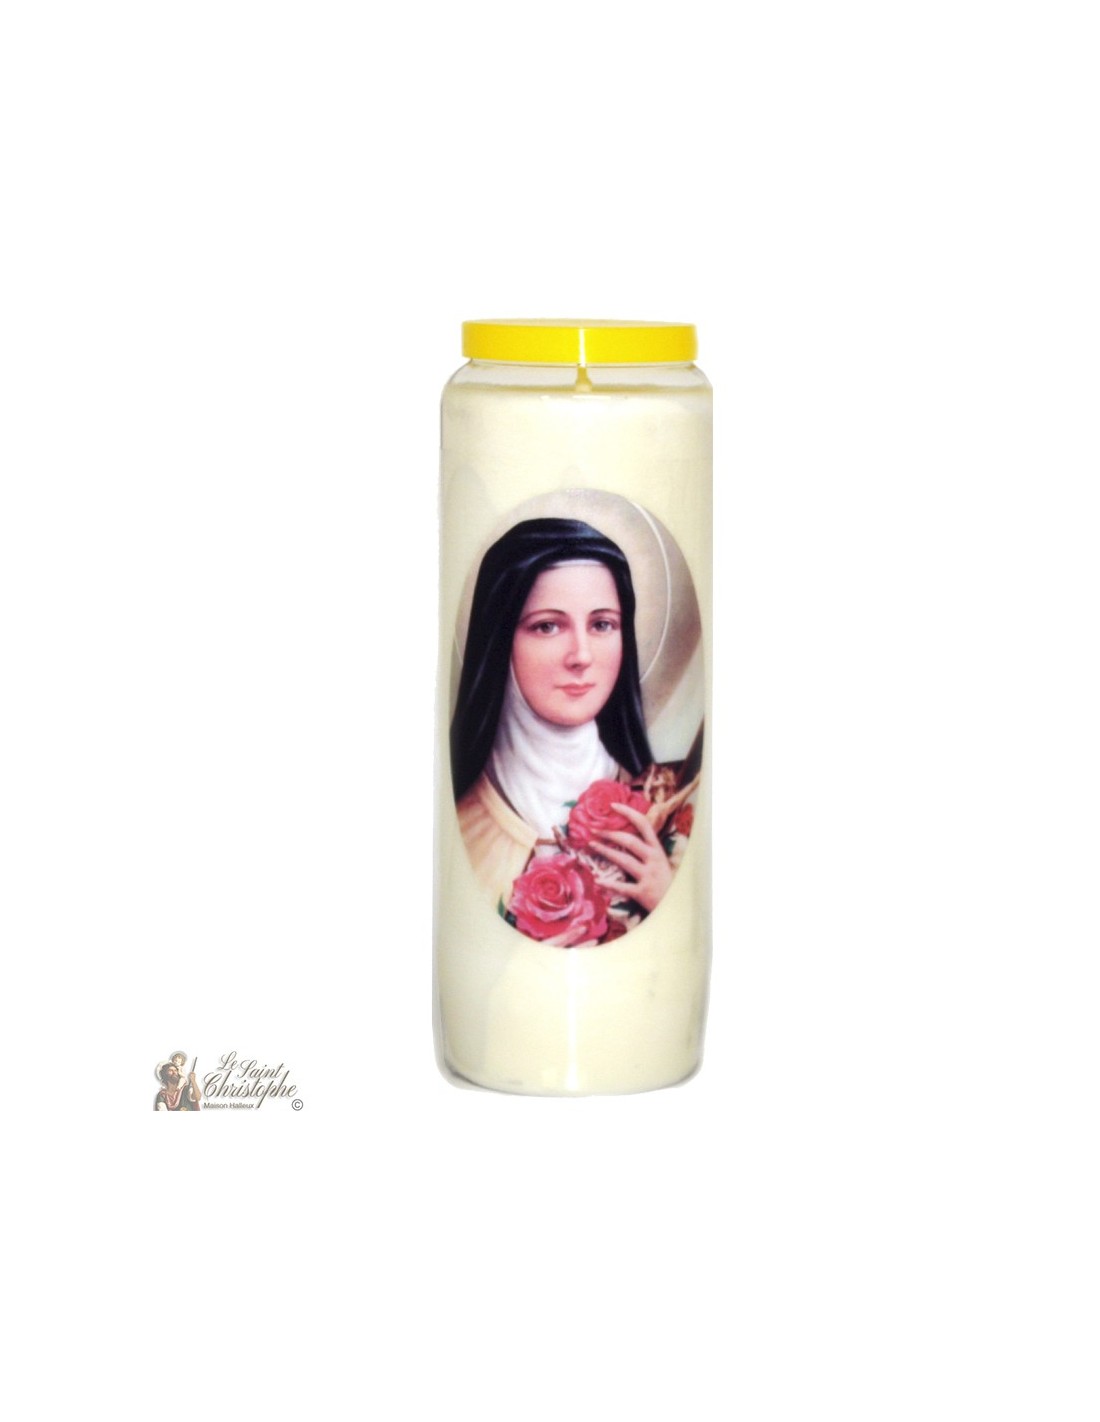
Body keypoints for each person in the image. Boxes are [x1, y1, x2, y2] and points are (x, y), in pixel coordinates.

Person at [451, 518, 698, 945]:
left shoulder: (669, 800)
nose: (581, 656)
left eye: (602, 625)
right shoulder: (461, 829)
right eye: (548, 626)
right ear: (500, 638)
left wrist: (664, 897)